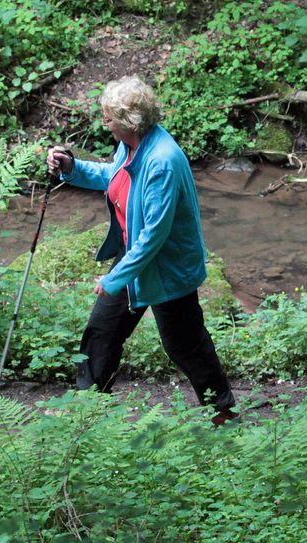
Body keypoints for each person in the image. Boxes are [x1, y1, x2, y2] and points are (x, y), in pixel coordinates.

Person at [46, 75, 238, 425]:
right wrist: (72, 168)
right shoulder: (132, 145)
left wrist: (116, 277)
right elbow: (114, 176)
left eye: (108, 118)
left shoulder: (162, 160)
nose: (104, 123)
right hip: (134, 255)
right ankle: (86, 408)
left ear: (127, 121)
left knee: (186, 345)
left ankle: (223, 412)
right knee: (102, 330)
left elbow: (154, 235)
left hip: (167, 267)